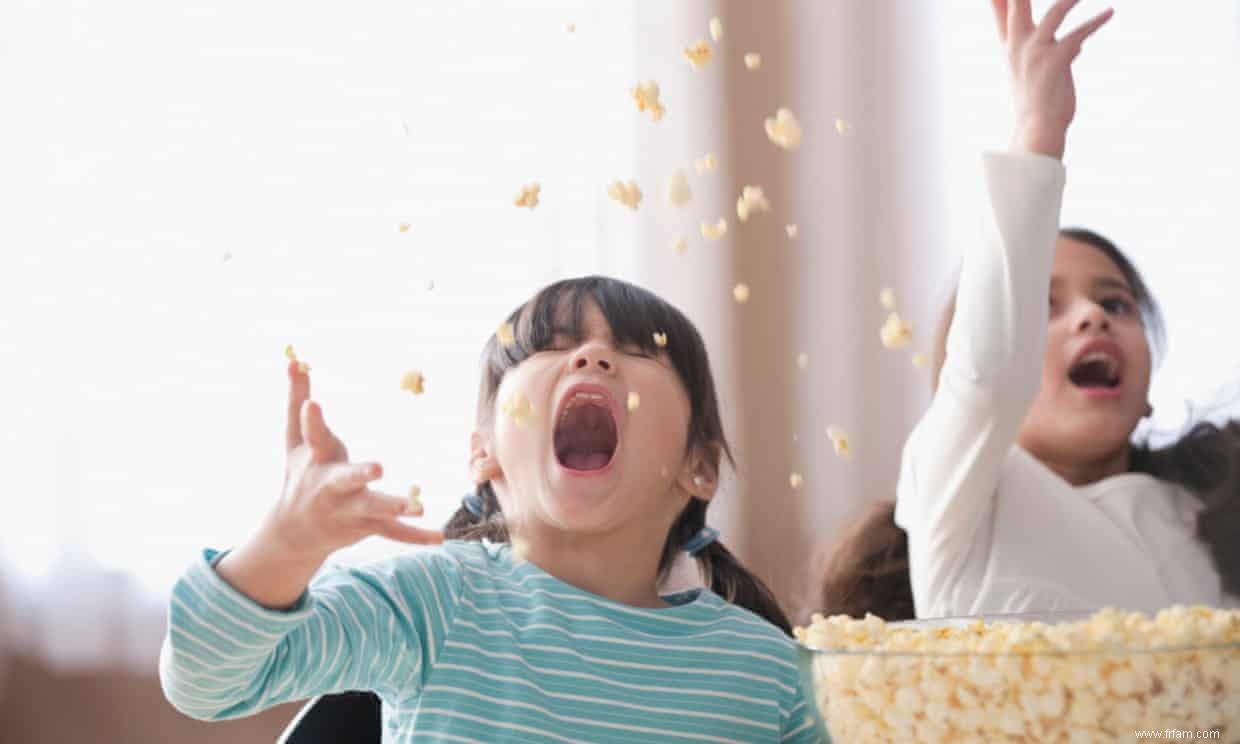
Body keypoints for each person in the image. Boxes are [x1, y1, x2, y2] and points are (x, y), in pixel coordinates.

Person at [159, 275, 825, 742]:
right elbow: (208, 682)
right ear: (486, 455)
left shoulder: (767, 672)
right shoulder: (435, 605)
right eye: (552, 348)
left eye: (637, 351)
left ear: (698, 466)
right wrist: (288, 546)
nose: (591, 357)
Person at [897, 0, 1240, 618]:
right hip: (1004, 721)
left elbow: (1208, 721)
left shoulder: (1205, 515)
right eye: (1042, 305)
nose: (1091, 316)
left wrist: (1164, 727)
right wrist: (1038, 133)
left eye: (1116, 302)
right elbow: (987, 377)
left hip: (1176, 725)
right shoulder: (960, 497)